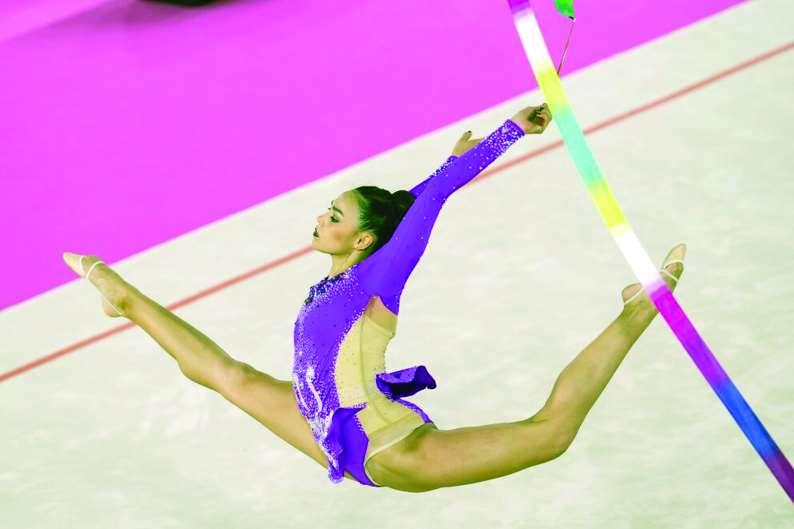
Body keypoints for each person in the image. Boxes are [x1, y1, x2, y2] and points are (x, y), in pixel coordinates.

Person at [63, 103, 685, 493]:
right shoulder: (351, 268)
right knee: (224, 374)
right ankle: (121, 295)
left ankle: (637, 311)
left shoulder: (375, 279)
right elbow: (409, 203)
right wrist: (455, 160)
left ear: (361, 239)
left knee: (549, 434)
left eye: (334, 216)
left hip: (387, 450)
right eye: (327, 209)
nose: (320, 218)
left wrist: (508, 133)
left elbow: (428, 203)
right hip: (328, 425)